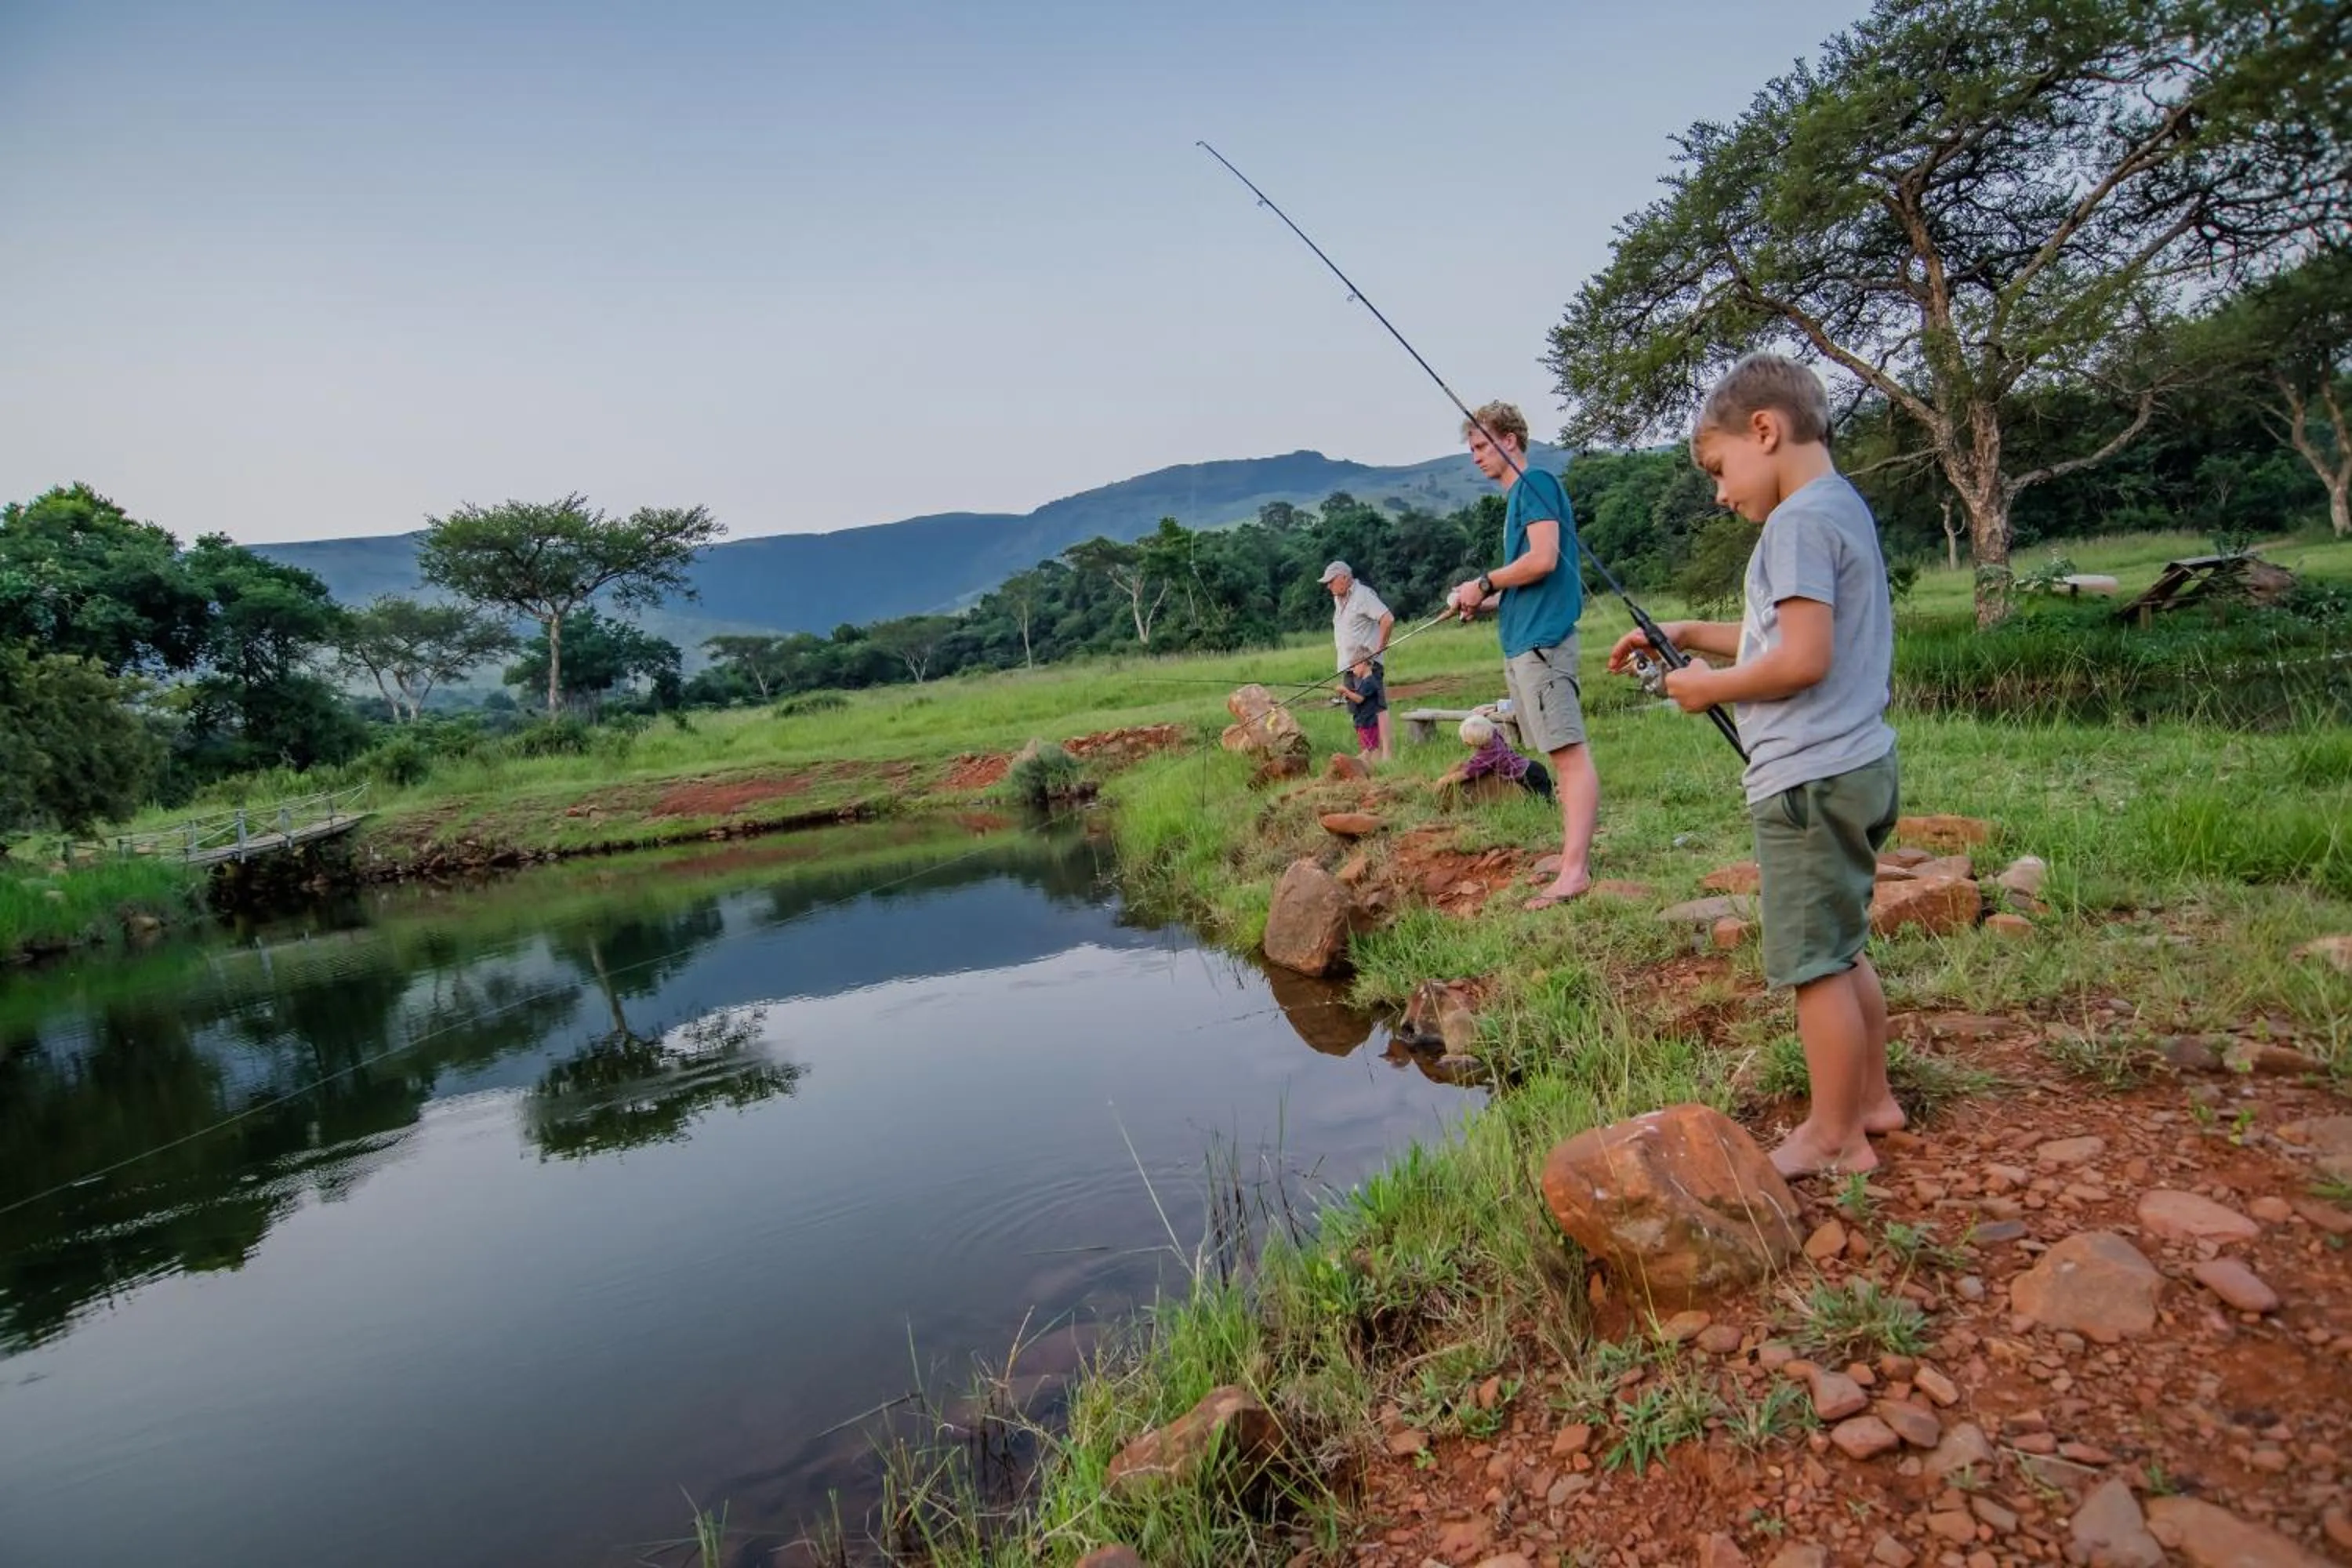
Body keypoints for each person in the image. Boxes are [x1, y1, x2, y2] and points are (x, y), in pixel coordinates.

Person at [1606, 351, 1900, 1178]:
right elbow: (1790, 637)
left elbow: (1800, 659)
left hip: (1808, 778)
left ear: (1764, 430)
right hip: (1857, 764)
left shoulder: (1795, 524)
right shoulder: (1840, 509)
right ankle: (1872, 1096)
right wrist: (1695, 634)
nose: (1719, 489)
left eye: (1719, 466)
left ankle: (1836, 1135)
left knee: (1813, 964)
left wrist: (1708, 692)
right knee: (1842, 946)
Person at [1446, 403, 1596, 911]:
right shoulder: (1519, 500)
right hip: (1523, 644)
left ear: (1510, 440)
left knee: (1569, 757)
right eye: (1472, 450)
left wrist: (1485, 580)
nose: (1476, 458)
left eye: (1483, 446)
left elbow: (1543, 559)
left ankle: (1575, 871)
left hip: (1544, 644)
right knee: (1556, 754)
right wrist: (1479, 600)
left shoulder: (1537, 486)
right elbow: (1527, 582)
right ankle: (1569, 855)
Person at [1321, 561, 1394, 757]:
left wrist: (1379, 648)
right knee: (1357, 709)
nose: (1328, 586)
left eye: (1331, 581)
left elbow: (1387, 619)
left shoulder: (1363, 595)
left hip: (1366, 664)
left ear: (1345, 577)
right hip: (1349, 665)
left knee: (1377, 708)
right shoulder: (1339, 598)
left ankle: (1385, 755)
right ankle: (1368, 752)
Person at [1439, 711, 1554, 802]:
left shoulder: (1488, 756)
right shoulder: (1494, 734)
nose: (1464, 742)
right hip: (1532, 766)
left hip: (1528, 774)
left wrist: (1445, 780)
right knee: (1547, 785)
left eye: (1466, 740)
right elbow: (1484, 725)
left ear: (1476, 743)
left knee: (1542, 799)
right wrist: (1480, 716)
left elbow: (1468, 773)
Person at [1338, 645, 1388, 761]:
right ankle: (1369, 766)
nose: (1353, 670)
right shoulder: (1365, 682)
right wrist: (1348, 694)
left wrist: (1346, 691)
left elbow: (1359, 699)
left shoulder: (1370, 682)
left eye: (1354, 666)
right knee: (1368, 748)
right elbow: (1360, 696)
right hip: (1364, 722)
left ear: (1363, 663)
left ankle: (1362, 764)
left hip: (1369, 723)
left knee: (1369, 750)